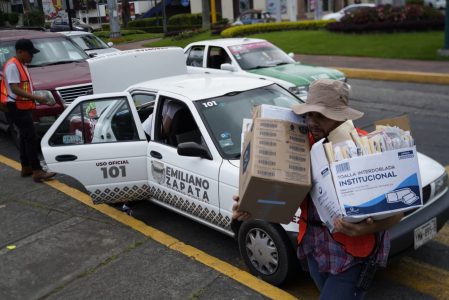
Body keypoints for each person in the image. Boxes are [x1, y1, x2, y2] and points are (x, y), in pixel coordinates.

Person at [232, 79, 403, 299]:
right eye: (309, 114)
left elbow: (398, 212)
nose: (312, 122)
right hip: (313, 249)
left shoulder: (366, 148)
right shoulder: (299, 143)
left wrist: (366, 229)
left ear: (342, 116)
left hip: (351, 256)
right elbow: (279, 192)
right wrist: (250, 205)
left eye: (320, 116)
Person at [0, 39, 56, 183]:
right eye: (30, 53)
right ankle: (37, 171)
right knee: (31, 138)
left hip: (22, 106)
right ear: (20, 52)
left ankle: (26, 167)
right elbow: (15, 88)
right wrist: (38, 97)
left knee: (25, 137)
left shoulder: (21, 64)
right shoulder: (13, 65)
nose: (32, 56)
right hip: (16, 106)